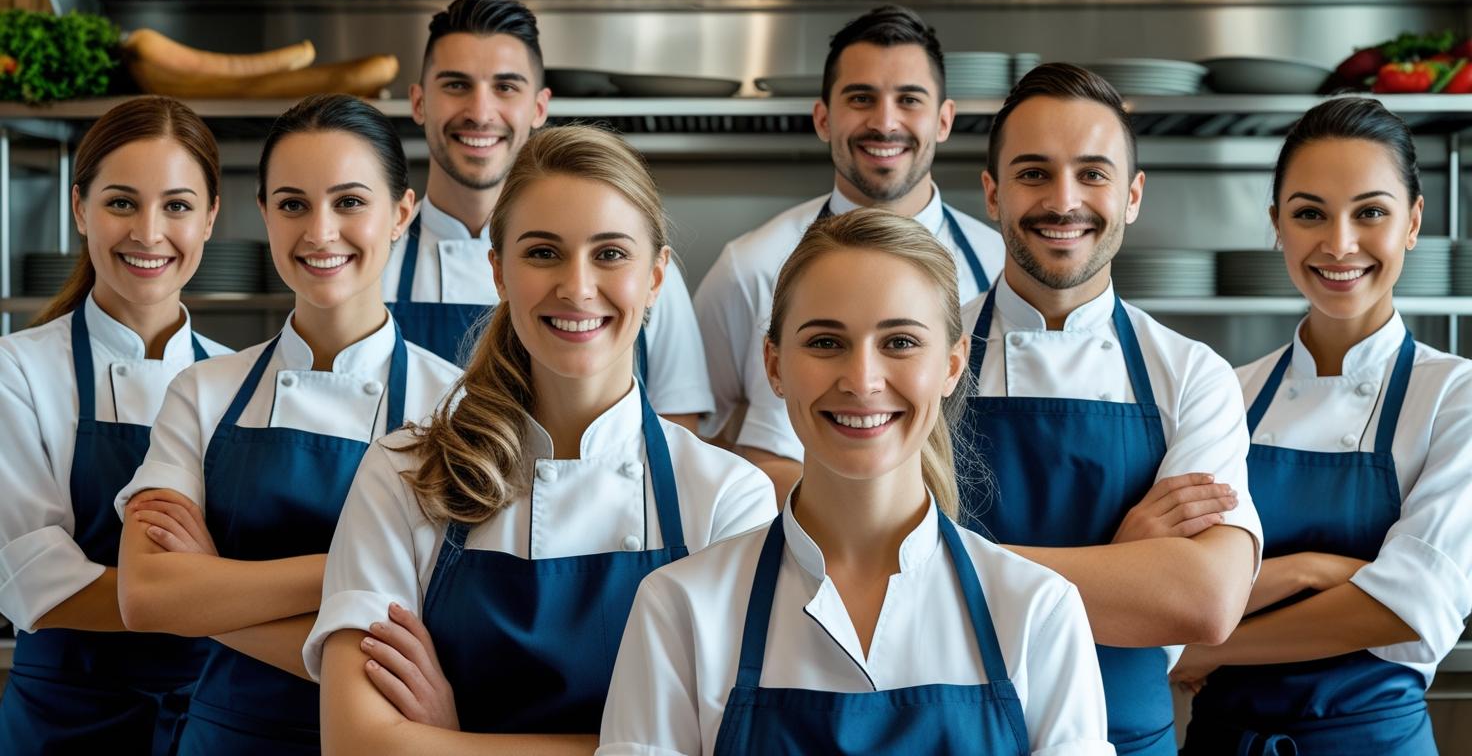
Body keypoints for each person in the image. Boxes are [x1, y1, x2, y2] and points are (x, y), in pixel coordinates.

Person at [309, 125, 776, 755]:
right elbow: (355, 741)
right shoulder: (404, 473)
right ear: (498, 272)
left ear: (657, 276)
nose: (577, 287)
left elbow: (736, 745)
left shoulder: (728, 498)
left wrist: (450, 740)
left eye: (610, 254)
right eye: (543, 253)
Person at [599, 208, 1112, 756]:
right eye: (825, 342)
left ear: (953, 365)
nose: (862, 381)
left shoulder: (1038, 610)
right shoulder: (680, 608)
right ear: (774, 364)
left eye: (900, 343)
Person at [113, 94, 462, 756]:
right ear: (265, 215)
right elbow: (148, 597)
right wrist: (367, 573)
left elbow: (452, 616)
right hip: (224, 739)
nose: (319, 232)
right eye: (294, 204)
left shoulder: (457, 407)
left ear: (402, 214)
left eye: (350, 202)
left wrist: (212, 592)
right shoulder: (203, 391)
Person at [957, 62, 1263, 755]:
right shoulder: (924, 357)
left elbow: (1204, 601)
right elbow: (875, 578)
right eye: (1033, 173)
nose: (1063, 201)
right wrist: (1120, 563)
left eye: (1092, 174)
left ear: (1132, 195)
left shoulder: (1190, 375)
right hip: (951, 735)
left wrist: (956, 569)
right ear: (992, 193)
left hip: (1124, 738)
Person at [1175, 97, 1472, 755]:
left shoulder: (1456, 396)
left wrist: (1207, 648)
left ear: (1414, 222)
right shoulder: (1227, 391)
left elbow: (1408, 604)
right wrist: (1313, 570)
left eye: (1370, 212)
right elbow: (1181, 583)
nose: (1339, 244)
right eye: (1310, 213)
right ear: (1277, 224)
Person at [695, 4, 1006, 499]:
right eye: (861, 98)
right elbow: (696, 437)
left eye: (909, 99)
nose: (884, 123)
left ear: (944, 120)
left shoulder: (1000, 267)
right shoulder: (751, 267)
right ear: (823, 117)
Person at [0, 97, 229, 755]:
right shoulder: (17, 372)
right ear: (80, 209)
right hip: (63, 726)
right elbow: (37, 585)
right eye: (122, 203)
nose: (149, 234)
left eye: (178, 206)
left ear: (212, 217)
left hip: (213, 724)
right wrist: (219, 596)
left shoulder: (237, 382)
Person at [384, 0, 712, 432]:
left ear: (539, 106)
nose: (480, 112)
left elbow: (677, 432)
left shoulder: (635, 266)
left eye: (505, 87)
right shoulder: (372, 262)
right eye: (457, 85)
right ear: (419, 102)